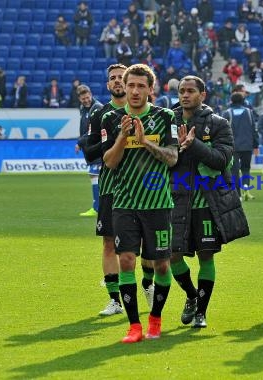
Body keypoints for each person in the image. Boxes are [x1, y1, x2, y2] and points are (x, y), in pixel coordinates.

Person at [102, 64, 178, 343]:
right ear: (124, 85)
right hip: (124, 202)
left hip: (158, 203)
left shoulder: (164, 116)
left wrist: (144, 141)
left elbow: (172, 158)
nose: (134, 91)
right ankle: (134, 326)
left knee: (160, 265)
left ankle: (155, 320)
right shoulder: (111, 119)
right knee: (126, 260)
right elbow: (109, 162)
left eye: (140, 86)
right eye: (130, 85)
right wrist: (123, 136)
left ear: (150, 89)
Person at [170, 75, 249, 328]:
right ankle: (192, 295)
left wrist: (193, 146)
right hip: (177, 200)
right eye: (181, 91)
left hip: (206, 202)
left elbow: (222, 159)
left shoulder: (219, 124)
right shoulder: (167, 122)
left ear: (202, 95)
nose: (184, 95)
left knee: (206, 256)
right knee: (172, 256)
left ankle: (201, 312)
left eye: (190, 91)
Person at [82, 64, 157, 316]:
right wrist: (106, 144)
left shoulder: (151, 112)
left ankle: (147, 283)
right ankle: (115, 299)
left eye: (120, 78)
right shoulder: (101, 115)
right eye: (112, 78)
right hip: (111, 186)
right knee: (108, 243)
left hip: (144, 186)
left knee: (147, 242)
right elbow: (91, 153)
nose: (116, 82)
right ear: (109, 85)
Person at [223, 92, 258, 201]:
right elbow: (254, 129)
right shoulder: (248, 112)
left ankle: (238, 195)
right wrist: (256, 145)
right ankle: (246, 189)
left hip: (233, 146)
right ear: (243, 101)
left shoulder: (227, 113)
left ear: (231, 101)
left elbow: (223, 131)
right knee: (246, 168)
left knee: (234, 170)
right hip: (247, 145)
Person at [75, 85, 102, 217]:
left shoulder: (96, 108)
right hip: (90, 149)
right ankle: (99, 206)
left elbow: (93, 131)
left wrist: (80, 142)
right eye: (83, 98)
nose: (86, 100)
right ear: (79, 99)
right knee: (95, 177)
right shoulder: (84, 109)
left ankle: (97, 207)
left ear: (91, 94)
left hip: (97, 148)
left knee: (94, 176)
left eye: (87, 97)